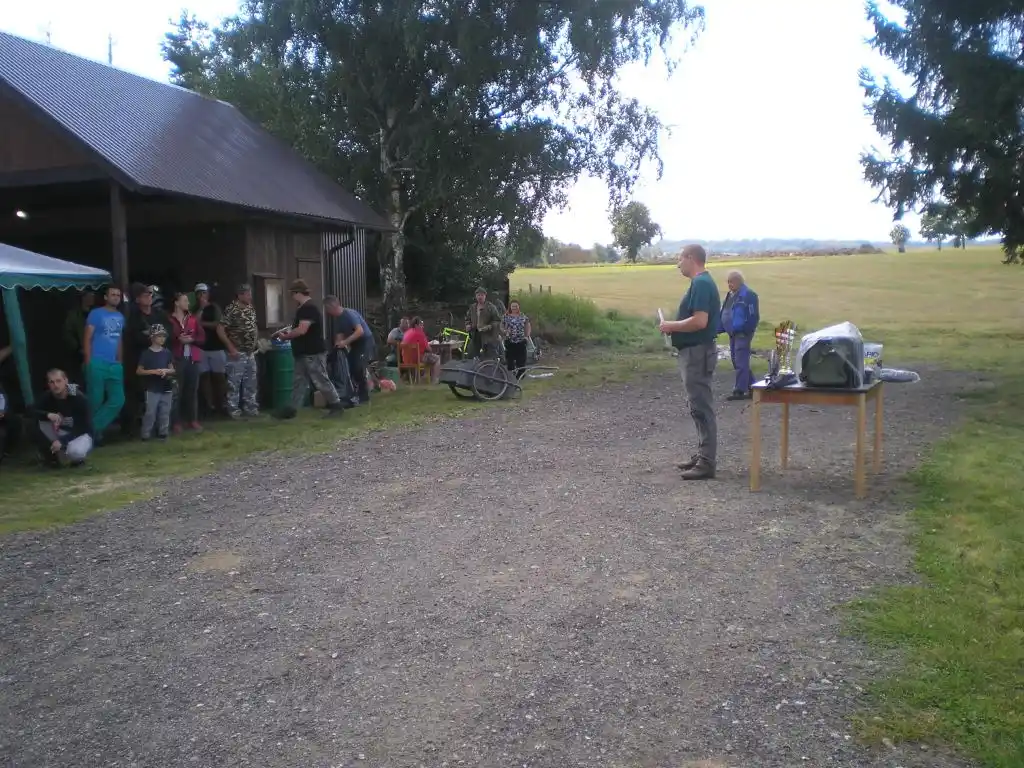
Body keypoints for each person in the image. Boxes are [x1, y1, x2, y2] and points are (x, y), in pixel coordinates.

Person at [658, 244, 722, 481]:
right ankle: (703, 454)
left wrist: (671, 326)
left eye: (680, 259)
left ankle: (707, 462)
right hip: (695, 352)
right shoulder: (701, 283)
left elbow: (700, 321)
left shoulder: (701, 283)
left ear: (691, 258)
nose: (678, 265)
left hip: (697, 353)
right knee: (697, 406)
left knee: (701, 406)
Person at [272, 280, 344, 418]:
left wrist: (285, 337)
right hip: (303, 352)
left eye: (292, 294)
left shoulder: (308, 308)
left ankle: (336, 405)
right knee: (299, 382)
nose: (292, 297)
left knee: (320, 379)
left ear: (297, 293)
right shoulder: (304, 308)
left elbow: (302, 330)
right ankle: (291, 409)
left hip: (312, 352)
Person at [122, 283, 170, 437]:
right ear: (137, 299)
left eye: (150, 294)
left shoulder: (159, 314)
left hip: (160, 359)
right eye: (145, 295)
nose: (149, 297)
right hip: (141, 361)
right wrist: (153, 338)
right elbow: (135, 338)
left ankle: (160, 428)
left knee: (161, 394)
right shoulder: (134, 318)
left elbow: (168, 332)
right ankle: (137, 429)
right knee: (140, 396)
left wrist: (151, 336)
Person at [83, 285, 126, 441]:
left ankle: (89, 429)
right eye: (113, 294)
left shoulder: (120, 316)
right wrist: (88, 360)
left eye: (118, 295)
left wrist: (119, 360)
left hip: (114, 364)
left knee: (118, 400)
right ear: (106, 297)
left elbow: (119, 339)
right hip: (97, 361)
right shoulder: (96, 313)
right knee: (95, 400)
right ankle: (94, 436)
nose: (116, 297)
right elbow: (87, 337)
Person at [31, 368, 93, 467]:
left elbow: (84, 427)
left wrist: (62, 441)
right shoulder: (48, 396)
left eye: (58, 381)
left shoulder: (78, 397)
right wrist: (47, 414)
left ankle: (75, 459)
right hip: (61, 430)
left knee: (75, 452)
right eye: (52, 382)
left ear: (66, 381)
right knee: (33, 422)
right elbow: (30, 410)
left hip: (79, 434)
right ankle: (51, 458)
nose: (56, 385)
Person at [324, 296, 376, 405]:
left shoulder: (349, 314)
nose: (326, 312)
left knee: (358, 367)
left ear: (332, 306)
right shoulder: (338, 319)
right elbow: (339, 336)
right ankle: (355, 394)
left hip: (364, 341)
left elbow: (360, 331)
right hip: (355, 343)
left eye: (327, 308)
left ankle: (363, 396)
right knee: (351, 365)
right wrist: (336, 348)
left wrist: (345, 342)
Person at [168, 291, 206, 433]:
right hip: (176, 358)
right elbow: (164, 338)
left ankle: (192, 420)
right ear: (176, 303)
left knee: (192, 390)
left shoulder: (193, 319)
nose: (187, 303)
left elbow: (202, 338)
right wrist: (177, 339)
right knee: (176, 391)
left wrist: (192, 340)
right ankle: (176, 422)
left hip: (192, 358)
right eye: (184, 300)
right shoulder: (169, 320)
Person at [720, 269, 760, 401]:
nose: (729, 285)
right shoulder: (731, 295)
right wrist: (719, 328)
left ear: (739, 281)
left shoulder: (749, 295)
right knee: (736, 360)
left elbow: (754, 316)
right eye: (728, 282)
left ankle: (739, 390)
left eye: (731, 282)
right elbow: (725, 312)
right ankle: (754, 388)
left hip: (742, 333)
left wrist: (746, 330)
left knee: (740, 360)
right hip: (733, 332)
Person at [222, 283, 261, 419]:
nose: (250, 296)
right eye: (247, 294)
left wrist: (255, 342)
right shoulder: (231, 309)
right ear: (240, 295)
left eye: (250, 293)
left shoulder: (250, 308)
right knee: (234, 383)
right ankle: (233, 410)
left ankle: (251, 408)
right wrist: (230, 347)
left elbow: (254, 326)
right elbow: (220, 329)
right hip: (237, 352)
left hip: (250, 353)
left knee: (251, 382)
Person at [195, 283, 231, 416]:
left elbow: (218, 324)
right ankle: (209, 406)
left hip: (216, 347)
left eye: (204, 293)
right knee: (204, 377)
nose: (202, 296)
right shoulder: (195, 309)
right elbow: (193, 324)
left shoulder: (214, 307)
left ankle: (222, 405)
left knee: (219, 377)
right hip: (201, 348)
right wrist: (201, 310)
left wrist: (202, 323)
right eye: (199, 293)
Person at [136, 324, 175, 441]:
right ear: (152, 338)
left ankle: (163, 433)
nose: (162, 338)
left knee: (165, 411)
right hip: (152, 387)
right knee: (150, 412)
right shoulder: (146, 353)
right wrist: (153, 371)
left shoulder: (167, 352)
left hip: (166, 386)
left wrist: (165, 371)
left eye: (164, 336)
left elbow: (172, 369)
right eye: (159, 336)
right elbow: (139, 371)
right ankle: (146, 434)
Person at [62, 289, 94, 382]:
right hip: (77, 356)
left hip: (95, 354)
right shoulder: (74, 315)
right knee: (77, 380)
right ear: (83, 298)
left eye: (93, 296)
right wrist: (78, 348)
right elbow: (67, 333)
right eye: (89, 296)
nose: (92, 298)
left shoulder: (96, 313)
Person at [400, 316, 442, 384]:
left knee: (429, 358)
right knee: (437, 358)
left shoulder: (407, 333)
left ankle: (424, 378)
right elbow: (428, 349)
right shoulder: (420, 333)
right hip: (417, 359)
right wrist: (432, 348)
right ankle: (434, 380)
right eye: (421, 324)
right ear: (416, 325)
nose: (423, 326)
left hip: (406, 359)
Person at [466, 287, 502, 359]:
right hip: (475, 334)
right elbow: (468, 319)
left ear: (485, 296)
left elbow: (497, 321)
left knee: (489, 355)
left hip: (488, 336)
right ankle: (475, 364)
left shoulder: (491, 307)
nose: (480, 297)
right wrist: (468, 325)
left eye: (482, 295)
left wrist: (489, 326)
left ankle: (489, 364)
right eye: (478, 295)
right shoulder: (472, 307)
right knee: (471, 354)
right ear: (476, 296)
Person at [501, 300, 532, 380]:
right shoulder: (506, 316)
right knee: (510, 361)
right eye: (513, 306)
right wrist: (505, 331)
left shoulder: (523, 316)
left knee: (521, 361)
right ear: (510, 307)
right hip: (509, 341)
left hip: (521, 341)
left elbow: (528, 326)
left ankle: (520, 377)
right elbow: (501, 326)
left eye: (516, 306)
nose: (514, 308)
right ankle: (511, 377)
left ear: (519, 307)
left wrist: (527, 336)